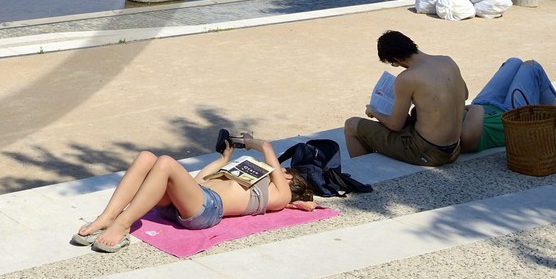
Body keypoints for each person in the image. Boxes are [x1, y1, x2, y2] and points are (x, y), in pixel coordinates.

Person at [70, 132, 317, 252]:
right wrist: (224, 159)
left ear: (287, 177)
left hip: (205, 211)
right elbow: (199, 180)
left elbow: (266, 147)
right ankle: (108, 217)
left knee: (165, 162)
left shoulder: (278, 195)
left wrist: (254, 143)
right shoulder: (254, 182)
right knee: (147, 158)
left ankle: (123, 224)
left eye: (282, 169)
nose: (276, 168)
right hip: (192, 199)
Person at [344, 30, 467, 167]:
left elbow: (395, 125)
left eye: (393, 64)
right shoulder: (447, 61)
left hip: (428, 152)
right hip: (454, 148)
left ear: (397, 59)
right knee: (415, 113)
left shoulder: (407, 78)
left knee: (351, 125)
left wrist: (374, 112)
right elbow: (465, 94)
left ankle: (364, 173)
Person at [460, 57, 556, 153]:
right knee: (532, 67)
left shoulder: (446, 122)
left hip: (486, 103)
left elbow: (465, 96)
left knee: (513, 62)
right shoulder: (464, 138)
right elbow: (475, 109)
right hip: (511, 115)